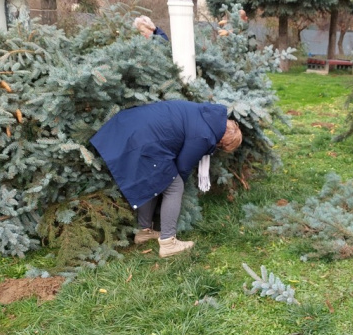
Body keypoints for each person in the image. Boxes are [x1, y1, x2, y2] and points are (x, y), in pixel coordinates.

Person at [90, 101, 243, 257]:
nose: (217, 148)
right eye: (221, 147)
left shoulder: (206, 113)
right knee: (174, 186)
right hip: (144, 140)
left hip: (130, 126)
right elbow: (183, 166)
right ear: (223, 141)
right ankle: (168, 243)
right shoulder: (205, 135)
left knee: (152, 179)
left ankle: (144, 232)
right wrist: (174, 183)